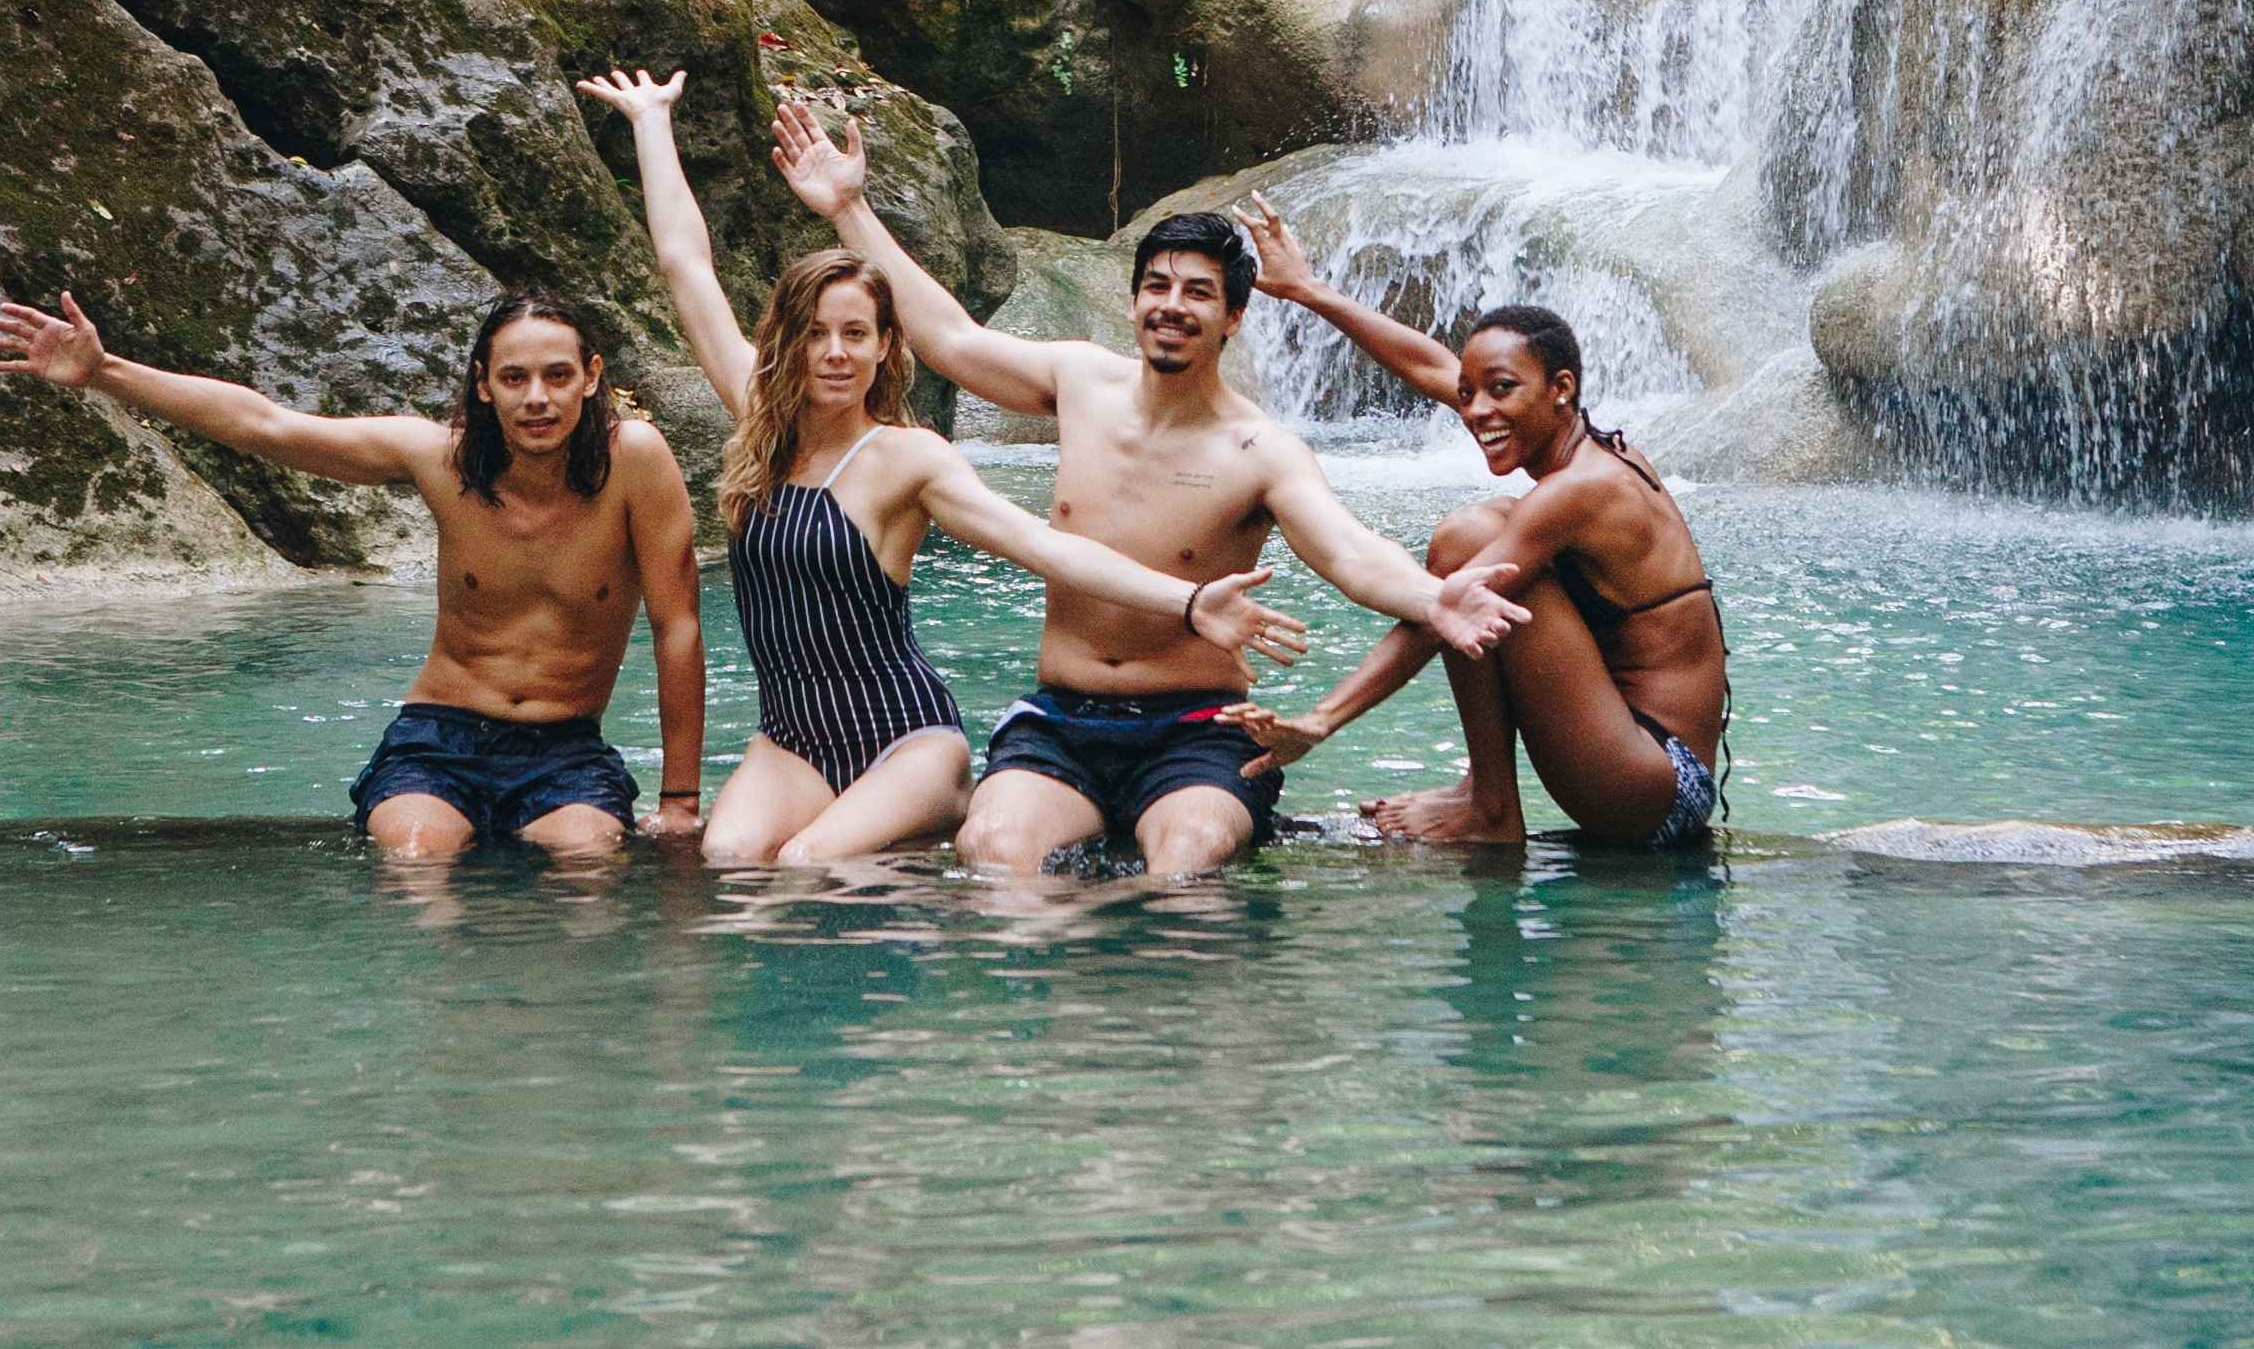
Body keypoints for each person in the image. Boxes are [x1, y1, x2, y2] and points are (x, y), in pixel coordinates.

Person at [771, 101, 1531, 879]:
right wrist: (848, 208)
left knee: (1188, 858)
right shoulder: (1078, 382)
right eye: (1157, 286)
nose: (1172, 305)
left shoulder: (1261, 448)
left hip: (1199, 726)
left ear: (1234, 316)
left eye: (1199, 292)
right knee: (993, 850)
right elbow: (949, 337)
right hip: (1063, 720)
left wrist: (1431, 597)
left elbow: (1345, 548)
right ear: (1133, 301)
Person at [575, 69, 1315, 868]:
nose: (834, 352)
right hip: (789, 739)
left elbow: (1046, 547)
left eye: (857, 333)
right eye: (816, 333)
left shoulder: (907, 456)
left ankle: (926, 848)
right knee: (729, 860)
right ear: (787, 340)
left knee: (800, 868)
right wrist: (651, 122)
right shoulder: (759, 415)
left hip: (903, 738)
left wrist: (1191, 600)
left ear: (887, 346)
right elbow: (686, 266)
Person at [0, 284, 705, 860]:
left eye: (556, 375)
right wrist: (106, 372)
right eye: (514, 377)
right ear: (484, 386)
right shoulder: (439, 458)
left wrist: (678, 801)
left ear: (590, 378)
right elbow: (267, 424)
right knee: (417, 857)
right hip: (439, 738)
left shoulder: (634, 462)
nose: (537, 397)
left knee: (584, 864)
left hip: (565, 747)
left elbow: (678, 627)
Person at [1217, 195, 1728, 850]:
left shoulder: (1581, 491)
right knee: (1481, 533)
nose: (1477, 409)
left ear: (1561, 387)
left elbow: (1449, 609)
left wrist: (1320, 721)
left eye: (1501, 389)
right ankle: (1482, 795)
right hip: (1644, 767)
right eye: (1468, 394)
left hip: (1656, 787)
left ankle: (1489, 807)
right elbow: (1433, 365)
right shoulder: (1598, 448)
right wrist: (1310, 291)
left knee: (1467, 542)